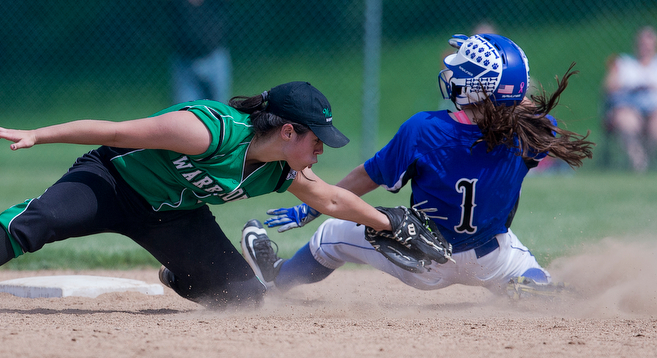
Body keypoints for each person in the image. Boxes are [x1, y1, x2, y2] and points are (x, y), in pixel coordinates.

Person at [0, 81, 395, 315]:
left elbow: (332, 201)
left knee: (244, 300)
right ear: (288, 130)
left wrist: (389, 225)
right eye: (316, 139)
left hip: (174, 216)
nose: (319, 150)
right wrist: (39, 134)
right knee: (39, 222)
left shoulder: (279, 170)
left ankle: (178, 273)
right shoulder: (209, 131)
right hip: (113, 183)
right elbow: (117, 129)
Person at [240, 34, 594, 299]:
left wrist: (311, 207)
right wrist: (509, 95)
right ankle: (535, 282)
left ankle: (277, 281)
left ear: (472, 86)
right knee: (527, 274)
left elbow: (367, 177)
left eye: (460, 71)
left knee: (330, 238)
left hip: (423, 257)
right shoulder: (535, 128)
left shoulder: (424, 129)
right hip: (493, 256)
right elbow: (523, 109)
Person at [603, 26, 657, 172]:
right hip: (628, 109)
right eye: (642, 43)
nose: (645, 47)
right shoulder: (624, 63)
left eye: (649, 43)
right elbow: (607, 87)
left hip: (653, 111)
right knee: (627, 120)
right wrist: (630, 86)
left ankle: (649, 161)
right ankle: (639, 163)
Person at [170, 0, 231, 103]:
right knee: (185, 110)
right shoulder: (178, 4)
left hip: (214, 58)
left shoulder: (215, 3)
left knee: (219, 109)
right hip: (185, 63)